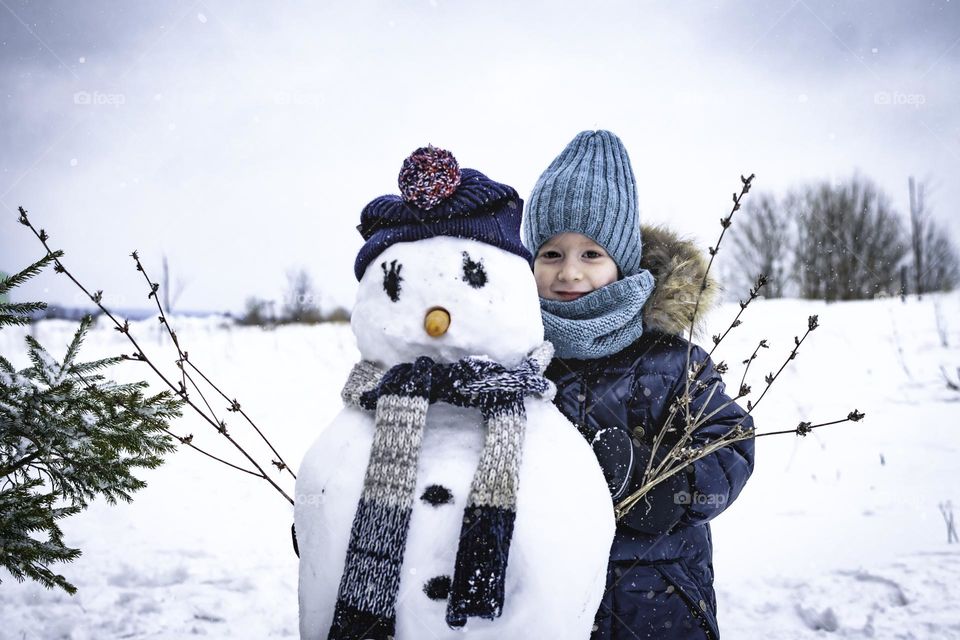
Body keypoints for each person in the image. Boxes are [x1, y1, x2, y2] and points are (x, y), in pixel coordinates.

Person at [521, 130, 755, 640]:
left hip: (658, 601)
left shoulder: (671, 361)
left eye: (591, 254)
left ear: (622, 261)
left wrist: (659, 481)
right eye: (551, 253)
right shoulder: (514, 360)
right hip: (541, 602)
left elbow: (730, 446)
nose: (570, 273)